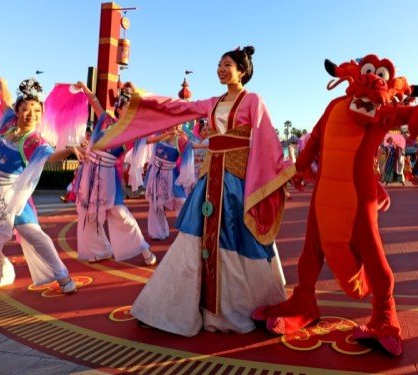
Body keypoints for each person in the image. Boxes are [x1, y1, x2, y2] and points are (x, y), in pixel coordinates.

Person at [93, 46, 293, 336]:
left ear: (242, 70)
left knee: (237, 234)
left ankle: (244, 305)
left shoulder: (253, 101)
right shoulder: (212, 103)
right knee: (193, 235)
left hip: (236, 181)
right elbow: (177, 107)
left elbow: (266, 140)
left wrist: (276, 174)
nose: (221, 69)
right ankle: (175, 307)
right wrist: (143, 96)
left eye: (227, 64)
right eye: (219, 64)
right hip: (209, 178)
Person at [0, 77, 81, 293]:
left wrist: (70, 150)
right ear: (18, 110)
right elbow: (5, 100)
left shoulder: (34, 140)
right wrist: (3, 84)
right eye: (27, 109)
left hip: (12, 195)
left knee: (33, 233)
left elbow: (52, 157)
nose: (31, 115)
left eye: (37, 111)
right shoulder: (8, 121)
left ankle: (63, 276)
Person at [73, 81, 157, 266]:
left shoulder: (132, 132)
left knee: (118, 212)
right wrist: (85, 89)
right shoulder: (106, 120)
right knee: (89, 212)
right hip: (90, 171)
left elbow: (151, 137)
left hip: (108, 174)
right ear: (119, 109)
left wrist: (166, 136)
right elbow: (95, 102)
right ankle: (101, 249)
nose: (131, 111)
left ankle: (143, 248)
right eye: (128, 107)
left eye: (134, 108)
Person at [144, 125, 190, 240]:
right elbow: (146, 141)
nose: (176, 125)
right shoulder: (159, 134)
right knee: (155, 203)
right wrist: (166, 135)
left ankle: (186, 230)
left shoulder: (181, 138)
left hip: (171, 174)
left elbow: (190, 148)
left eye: (178, 123)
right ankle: (157, 233)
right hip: (156, 173)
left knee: (181, 201)